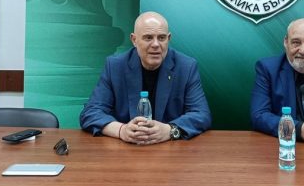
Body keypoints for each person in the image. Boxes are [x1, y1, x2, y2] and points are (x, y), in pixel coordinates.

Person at [80, 11, 211, 144]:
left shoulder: (186, 67)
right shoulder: (115, 66)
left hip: (170, 149)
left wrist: (169, 130)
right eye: (148, 38)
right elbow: (90, 112)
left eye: (161, 38)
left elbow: (201, 114)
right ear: (134, 40)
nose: (156, 44)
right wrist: (121, 130)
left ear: (169, 38)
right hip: (127, 149)